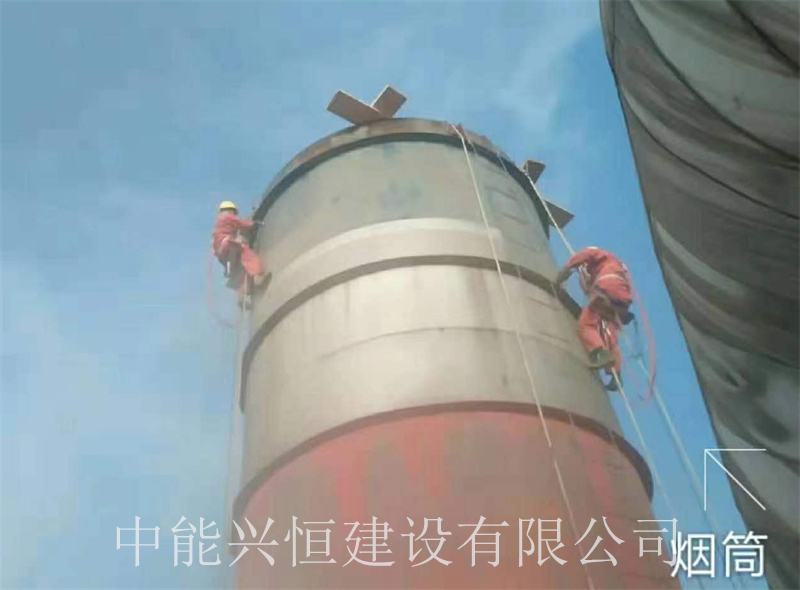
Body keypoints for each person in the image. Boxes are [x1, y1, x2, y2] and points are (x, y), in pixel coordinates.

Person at [556, 247, 634, 388]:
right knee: (609, 332)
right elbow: (588, 288)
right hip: (621, 299)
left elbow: (585, 255)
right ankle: (616, 374)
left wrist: (565, 271)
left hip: (607, 289)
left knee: (586, 325)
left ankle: (600, 352)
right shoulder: (615, 268)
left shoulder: (600, 254)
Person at [211, 201, 266, 291]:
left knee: (239, 263)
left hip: (220, 250)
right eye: (234, 213)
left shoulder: (219, 222)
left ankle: (234, 276)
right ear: (231, 210)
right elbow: (242, 223)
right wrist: (255, 223)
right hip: (227, 243)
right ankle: (257, 275)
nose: (234, 215)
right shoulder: (228, 217)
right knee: (246, 253)